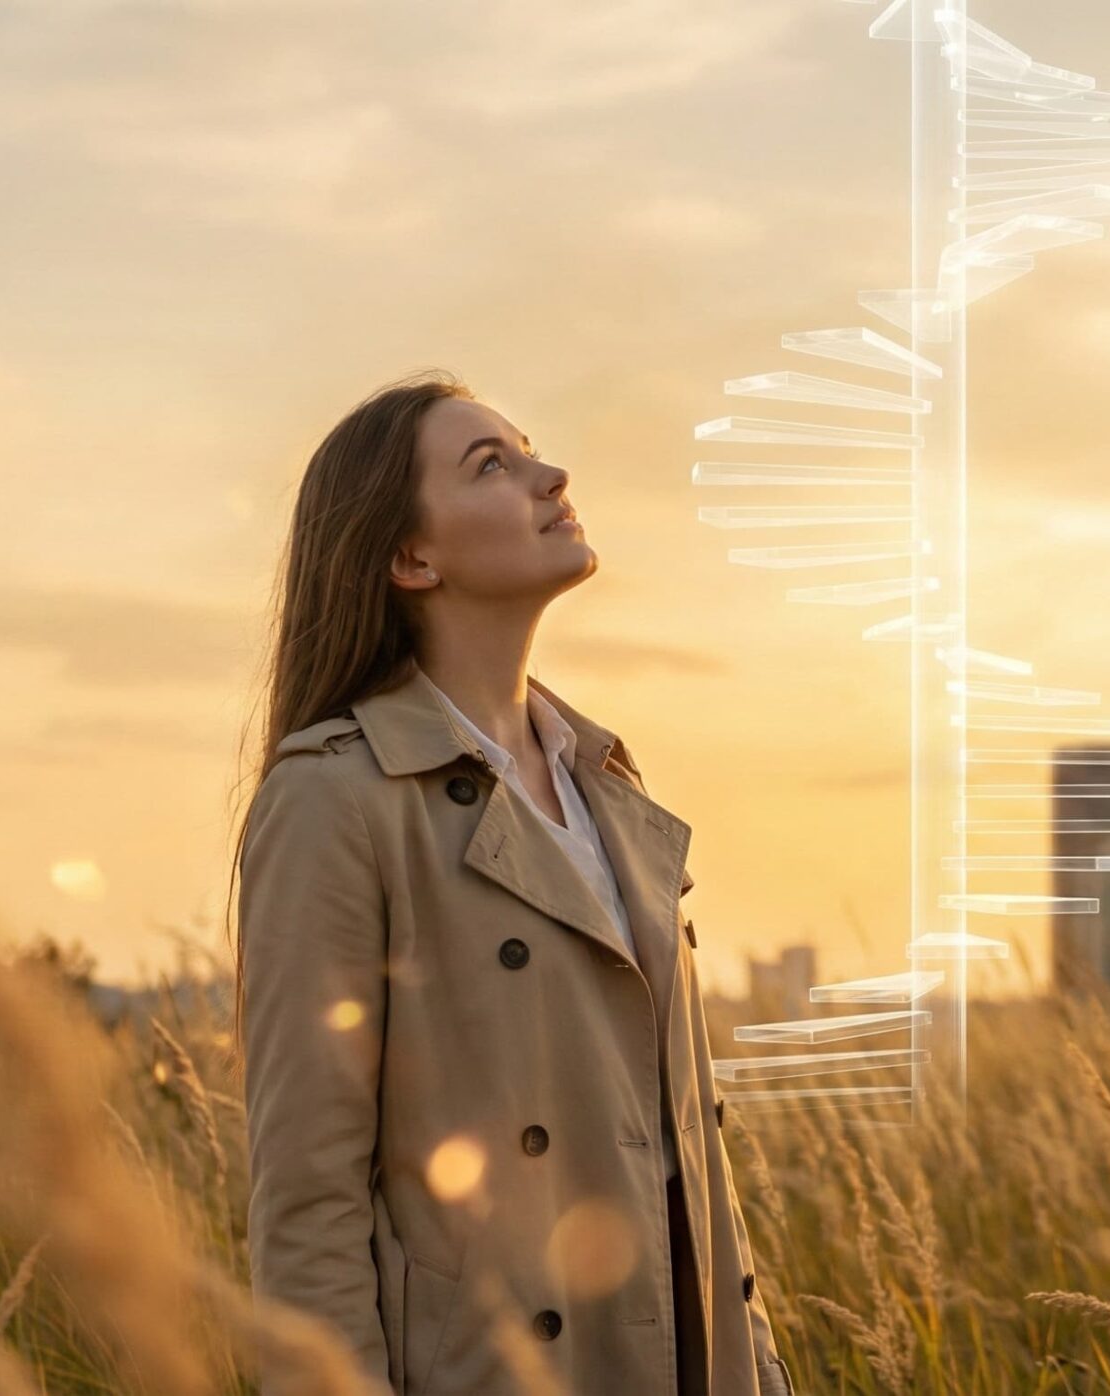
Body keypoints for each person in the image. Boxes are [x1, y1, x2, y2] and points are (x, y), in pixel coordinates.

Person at [230, 369, 796, 1395]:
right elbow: (308, 1203)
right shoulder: (339, 798)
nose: (552, 475)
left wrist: (757, 1369)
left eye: (528, 448)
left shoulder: (607, 781)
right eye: (493, 464)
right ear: (410, 555)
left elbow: (689, 1160)